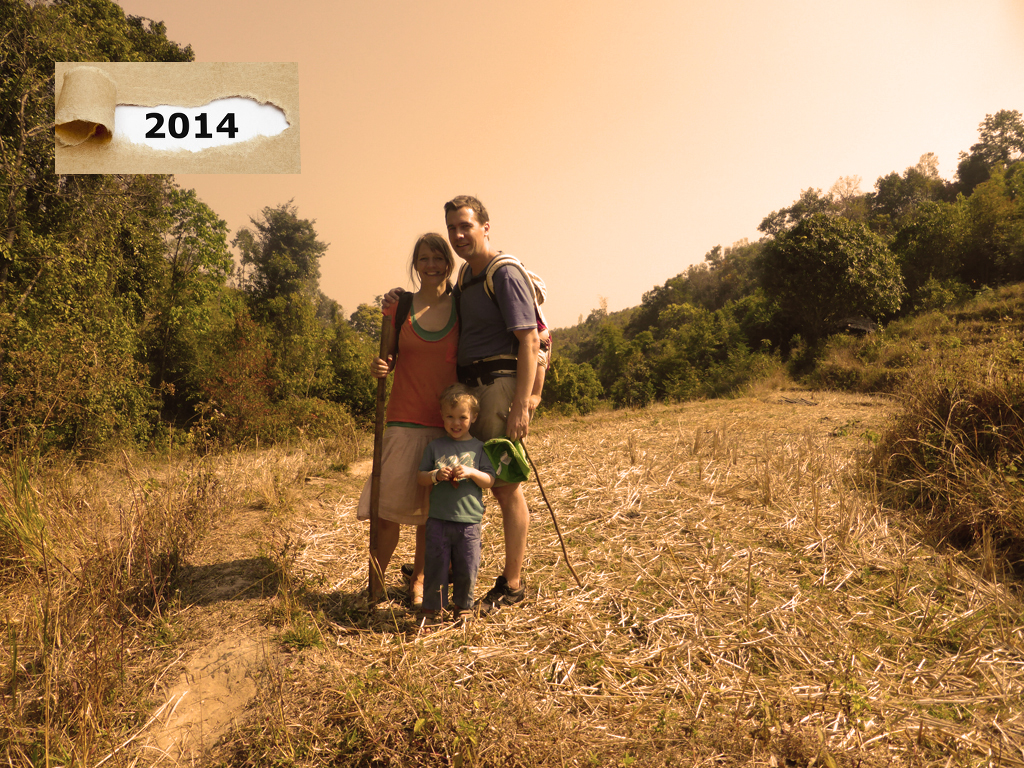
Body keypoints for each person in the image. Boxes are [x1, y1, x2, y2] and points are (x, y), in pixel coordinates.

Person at [382, 196, 540, 615]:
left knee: (505, 487)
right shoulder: (469, 278)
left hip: (498, 389)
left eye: (465, 226)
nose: (458, 235)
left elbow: (531, 339)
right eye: (452, 227)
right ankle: (453, 566)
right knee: (473, 479)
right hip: (474, 389)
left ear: (486, 226)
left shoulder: (502, 272)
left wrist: (524, 402)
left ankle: (512, 583)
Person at [356, 233, 458, 608]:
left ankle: (419, 582)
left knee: (431, 518)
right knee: (389, 512)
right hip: (401, 420)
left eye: (437, 257)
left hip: (446, 425)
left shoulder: (463, 306)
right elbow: (389, 357)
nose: (431, 265)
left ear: (449, 262)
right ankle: (376, 584)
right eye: (423, 259)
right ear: (415, 265)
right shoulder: (400, 306)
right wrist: (380, 366)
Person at [416, 384, 495, 623]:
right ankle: (432, 610)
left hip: (469, 523)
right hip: (438, 520)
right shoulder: (435, 446)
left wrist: (471, 471)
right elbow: (420, 477)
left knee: (467, 568)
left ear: (474, 418)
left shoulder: (480, 448)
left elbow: (489, 480)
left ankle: (463, 607)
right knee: (435, 567)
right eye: (450, 417)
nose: (456, 423)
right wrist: (435, 475)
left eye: (462, 417)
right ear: (442, 416)